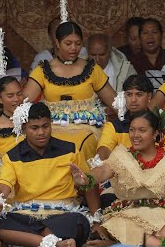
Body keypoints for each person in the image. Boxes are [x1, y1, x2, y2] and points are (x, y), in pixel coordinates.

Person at [70, 110, 165, 247]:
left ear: (155, 134)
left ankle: (118, 246)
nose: (135, 135)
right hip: (131, 215)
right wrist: (86, 178)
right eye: (132, 130)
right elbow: (102, 171)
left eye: (142, 130)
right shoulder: (122, 157)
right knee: (112, 228)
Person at [0, 102, 101, 247]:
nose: (41, 132)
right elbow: (3, 185)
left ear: (51, 124)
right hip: (26, 215)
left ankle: (22, 240)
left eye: (45, 126)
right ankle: (56, 243)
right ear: (25, 128)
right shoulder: (12, 156)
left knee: (79, 222)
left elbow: (89, 184)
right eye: (35, 128)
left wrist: (96, 220)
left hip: (63, 214)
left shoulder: (70, 150)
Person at [22, 21, 117, 161]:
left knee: (80, 145)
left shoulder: (92, 69)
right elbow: (23, 104)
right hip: (50, 128)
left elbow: (115, 102)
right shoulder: (43, 70)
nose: (73, 48)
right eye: (68, 43)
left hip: (86, 128)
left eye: (78, 44)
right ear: (57, 43)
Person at [96, 74, 154, 208]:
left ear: (149, 97)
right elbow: (103, 151)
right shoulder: (114, 126)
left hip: (155, 182)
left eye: (139, 95)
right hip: (122, 183)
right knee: (108, 199)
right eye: (129, 94)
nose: (133, 100)